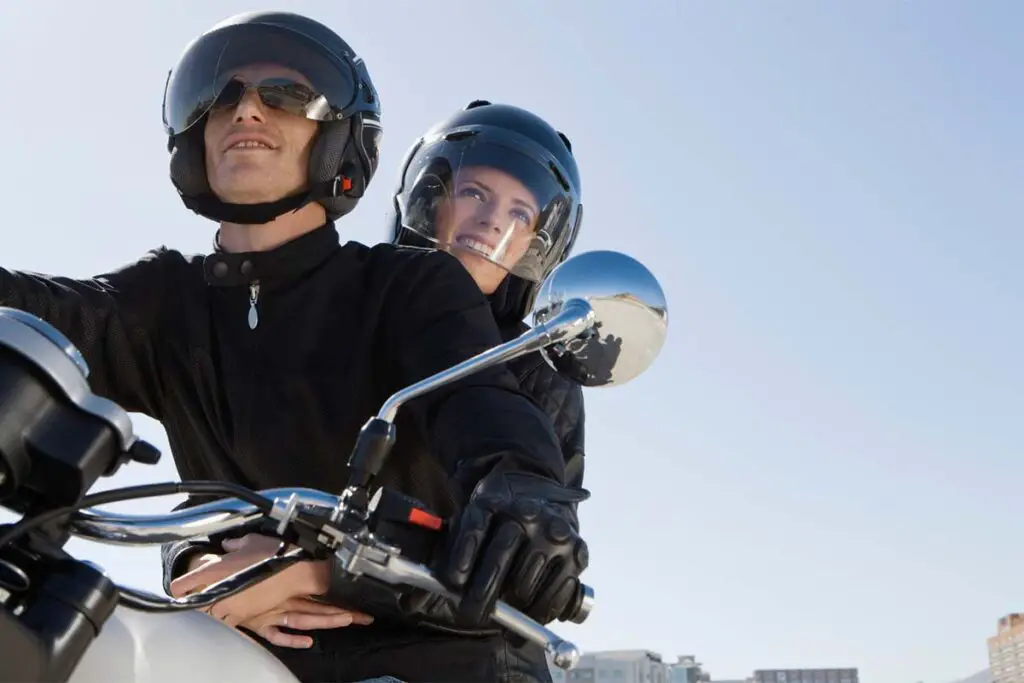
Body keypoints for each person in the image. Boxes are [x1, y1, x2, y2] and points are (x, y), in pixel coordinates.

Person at [0, 11, 590, 683]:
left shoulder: (414, 290)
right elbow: (43, 309)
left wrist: (523, 497)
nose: (246, 109)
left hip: (433, 662)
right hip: (235, 655)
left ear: (337, 138)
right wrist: (196, 563)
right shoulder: (165, 305)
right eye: (221, 94)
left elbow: (485, 413)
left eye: (284, 93)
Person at [389, 100, 587, 492]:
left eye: (519, 215)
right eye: (475, 194)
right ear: (432, 201)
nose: (492, 220)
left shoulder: (537, 367)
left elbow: (546, 521)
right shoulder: (350, 302)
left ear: (535, 246)